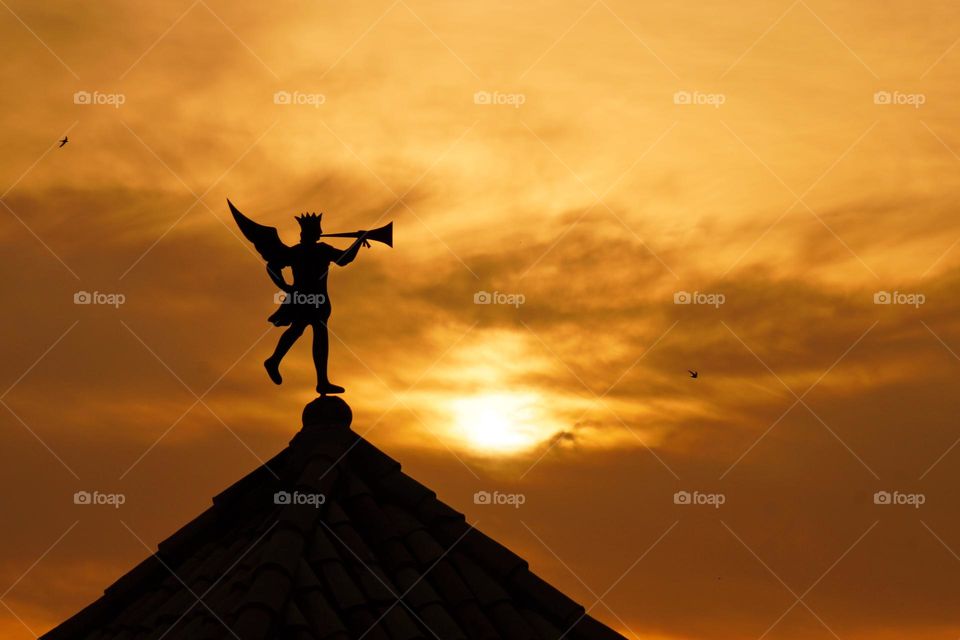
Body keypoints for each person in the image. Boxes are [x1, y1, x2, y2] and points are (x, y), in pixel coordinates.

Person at [262, 213, 369, 394]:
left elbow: (272, 266)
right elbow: (345, 259)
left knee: (298, 330)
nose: (320, 232)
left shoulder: (297, 251)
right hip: (314, 300)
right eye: (318, 230)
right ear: (313, 232)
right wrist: (359, 240)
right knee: (314, 333)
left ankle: (276, 361)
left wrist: (285, 287)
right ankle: (320, 380)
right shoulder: (320, 250)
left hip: (307, 299)